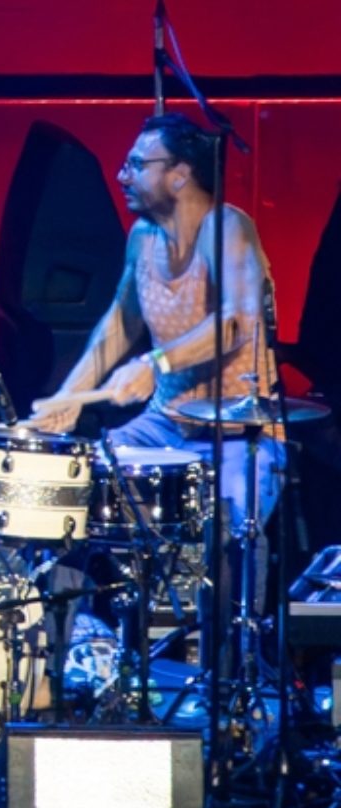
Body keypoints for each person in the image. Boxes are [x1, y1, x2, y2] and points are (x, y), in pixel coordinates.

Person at [31, 113, 284, 557]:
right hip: (163, 423)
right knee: (76, 487)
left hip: (240, 433)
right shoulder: (143, 237)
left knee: (227, 541)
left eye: (136, 164)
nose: (122, 176)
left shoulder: (227, 227)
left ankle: (228, 603)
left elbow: (238, 323)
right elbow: (121, 322)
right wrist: (70, 396)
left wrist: (155, 362)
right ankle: (91, 603)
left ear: (179, 174)